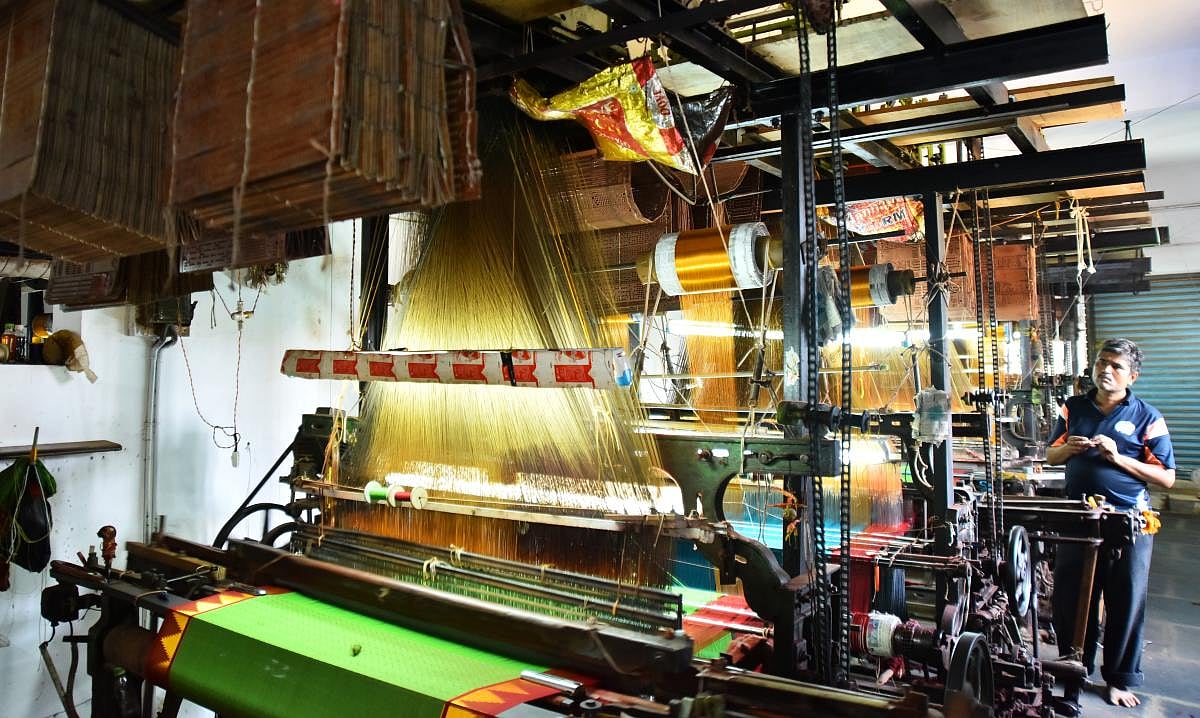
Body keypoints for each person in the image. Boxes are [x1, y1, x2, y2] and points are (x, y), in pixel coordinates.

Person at [1047, 337, 1176, 708]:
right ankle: (1075, 667)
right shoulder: (1073, 407)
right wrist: (1067, 449)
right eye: (1102, 362)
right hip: (1078, 517)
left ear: (1131, 376)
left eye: (1116, 366)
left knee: (1126, 598)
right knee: (1071, 598)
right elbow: (1051, 453)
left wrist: (1118, 457)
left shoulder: (1148, 417)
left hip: (1128, 522)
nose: (1106, 370)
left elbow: (1166, 476)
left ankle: (1119, 679)